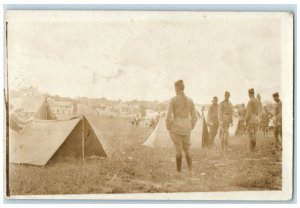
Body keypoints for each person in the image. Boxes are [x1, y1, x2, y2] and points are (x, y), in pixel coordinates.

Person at [166, 80, 197, 173]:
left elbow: (169, 116)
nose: (174, 90)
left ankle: (179, 171)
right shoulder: (190, 101)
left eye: (175, 88)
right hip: (187, 127)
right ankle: (190, 170)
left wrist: (169, 126)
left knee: (178, 149)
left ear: (177, 88)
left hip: (176, 127)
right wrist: (191, 125)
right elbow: (194, 117)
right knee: (187, 149)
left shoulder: (173, 100)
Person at [245, 88, 259, 152]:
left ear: (249, 94)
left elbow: (248, 112)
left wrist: (245, 120)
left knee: (251, 134)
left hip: (251, 119)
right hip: (255, 118)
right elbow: (258, 111)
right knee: (254, 134)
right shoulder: (256, 101)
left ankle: (251, 150)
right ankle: (253, 149)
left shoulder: (250, 101)